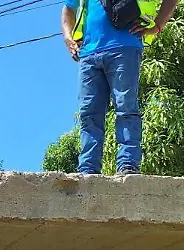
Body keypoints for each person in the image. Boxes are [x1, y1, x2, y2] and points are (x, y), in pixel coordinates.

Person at [62, 0, 176, 174]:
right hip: (88, 53)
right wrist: (68, 39)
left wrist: (157, 26)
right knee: (88, 114)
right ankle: (87, 169)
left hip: (124, 47)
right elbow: (68, 10)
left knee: (125, 108)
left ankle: (128, 164)